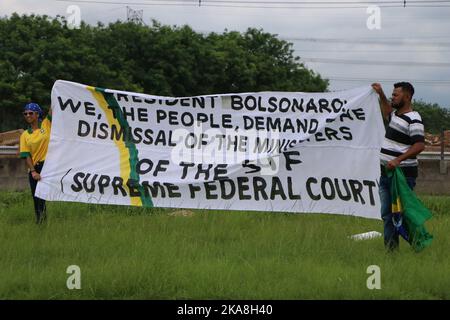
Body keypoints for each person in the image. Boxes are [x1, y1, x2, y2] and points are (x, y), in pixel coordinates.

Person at [371, 82, 425, 251]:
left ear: (407, 97)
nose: (392, 97)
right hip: (386, 174)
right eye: (392, 94)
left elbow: (419, 145)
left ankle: (419, 243)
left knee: (403, 214)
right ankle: (391, 252)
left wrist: (398, 160)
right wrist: (380, 93)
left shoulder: (413, 119)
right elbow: (387, 111)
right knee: (388, 215)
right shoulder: (396, 116)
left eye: (396, 95)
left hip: (402, 176)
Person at [19, 103, 52, 224]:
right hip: (35, 168)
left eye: (30, 113)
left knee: (48, 195)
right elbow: (26, 154)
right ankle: (41, 223)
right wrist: (33, 171)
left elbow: (52, 110)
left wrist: (56, 90)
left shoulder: (46, 125)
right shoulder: (25, 135)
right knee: (37, 197)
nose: (28, 115)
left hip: (48, 166)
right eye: (25, 113)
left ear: (37, 114)